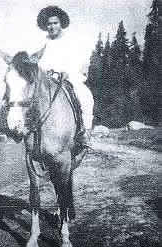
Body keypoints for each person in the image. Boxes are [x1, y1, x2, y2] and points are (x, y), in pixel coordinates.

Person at [35, 6, 94, 159]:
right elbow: (38, 62)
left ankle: (85, 132)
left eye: (55, 23)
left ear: (61, 23)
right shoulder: (42, 43)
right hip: (48, 80)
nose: (52, 26)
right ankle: (29, 134)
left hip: (68, 78)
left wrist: (67, 71)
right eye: (49, 24)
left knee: (85, 96)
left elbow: (80, 60)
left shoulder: (72, 41)